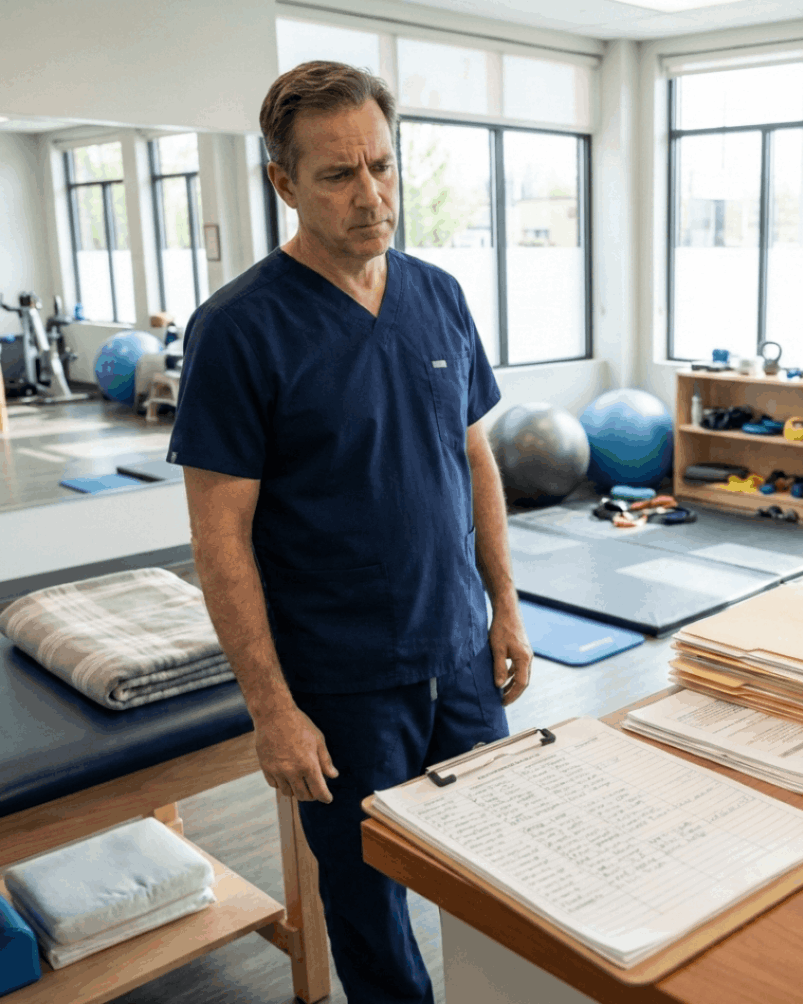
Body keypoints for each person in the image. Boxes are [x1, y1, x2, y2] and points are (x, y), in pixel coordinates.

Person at [167, 60, 532, 1004]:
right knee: (371, 916)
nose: (371, 195)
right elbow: (220, 540)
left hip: (457, 659)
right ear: (284, 183)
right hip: (340, 686)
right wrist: (272, 710)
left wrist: (505, 607)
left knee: (503, 884)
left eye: (382, 165)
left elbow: (475, 463)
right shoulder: (238, 329)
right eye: (337, 174)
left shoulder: (439, 294)